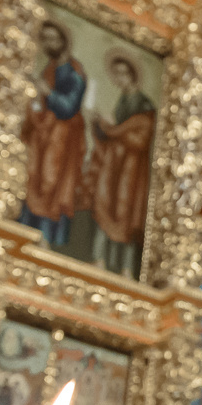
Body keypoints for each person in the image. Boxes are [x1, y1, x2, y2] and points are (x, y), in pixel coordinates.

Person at [82, 53, 156, 278]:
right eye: (116, 75)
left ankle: (127, 268)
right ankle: (99, 259)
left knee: (127, 214)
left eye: (124, 74)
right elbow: (115, 134)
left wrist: (112, 129)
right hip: (115, 165)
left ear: (132, 75)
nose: (120, 79)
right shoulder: (123, 100)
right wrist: (101, 127)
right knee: (104, 204)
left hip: (132, 171)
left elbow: (139, 137)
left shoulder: (144, 105)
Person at [19, 20, 88, 247]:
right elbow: (41, 103)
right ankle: (26, 236)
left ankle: (46, 241)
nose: (50, 43)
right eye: (45, 38)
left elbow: (69, 107)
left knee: (52, 186)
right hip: (43, 138)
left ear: (64, 41)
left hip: (62, 141)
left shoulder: (74, 71)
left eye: (54, 38)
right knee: (35, 182)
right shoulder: (49, 68)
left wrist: (47, 92)